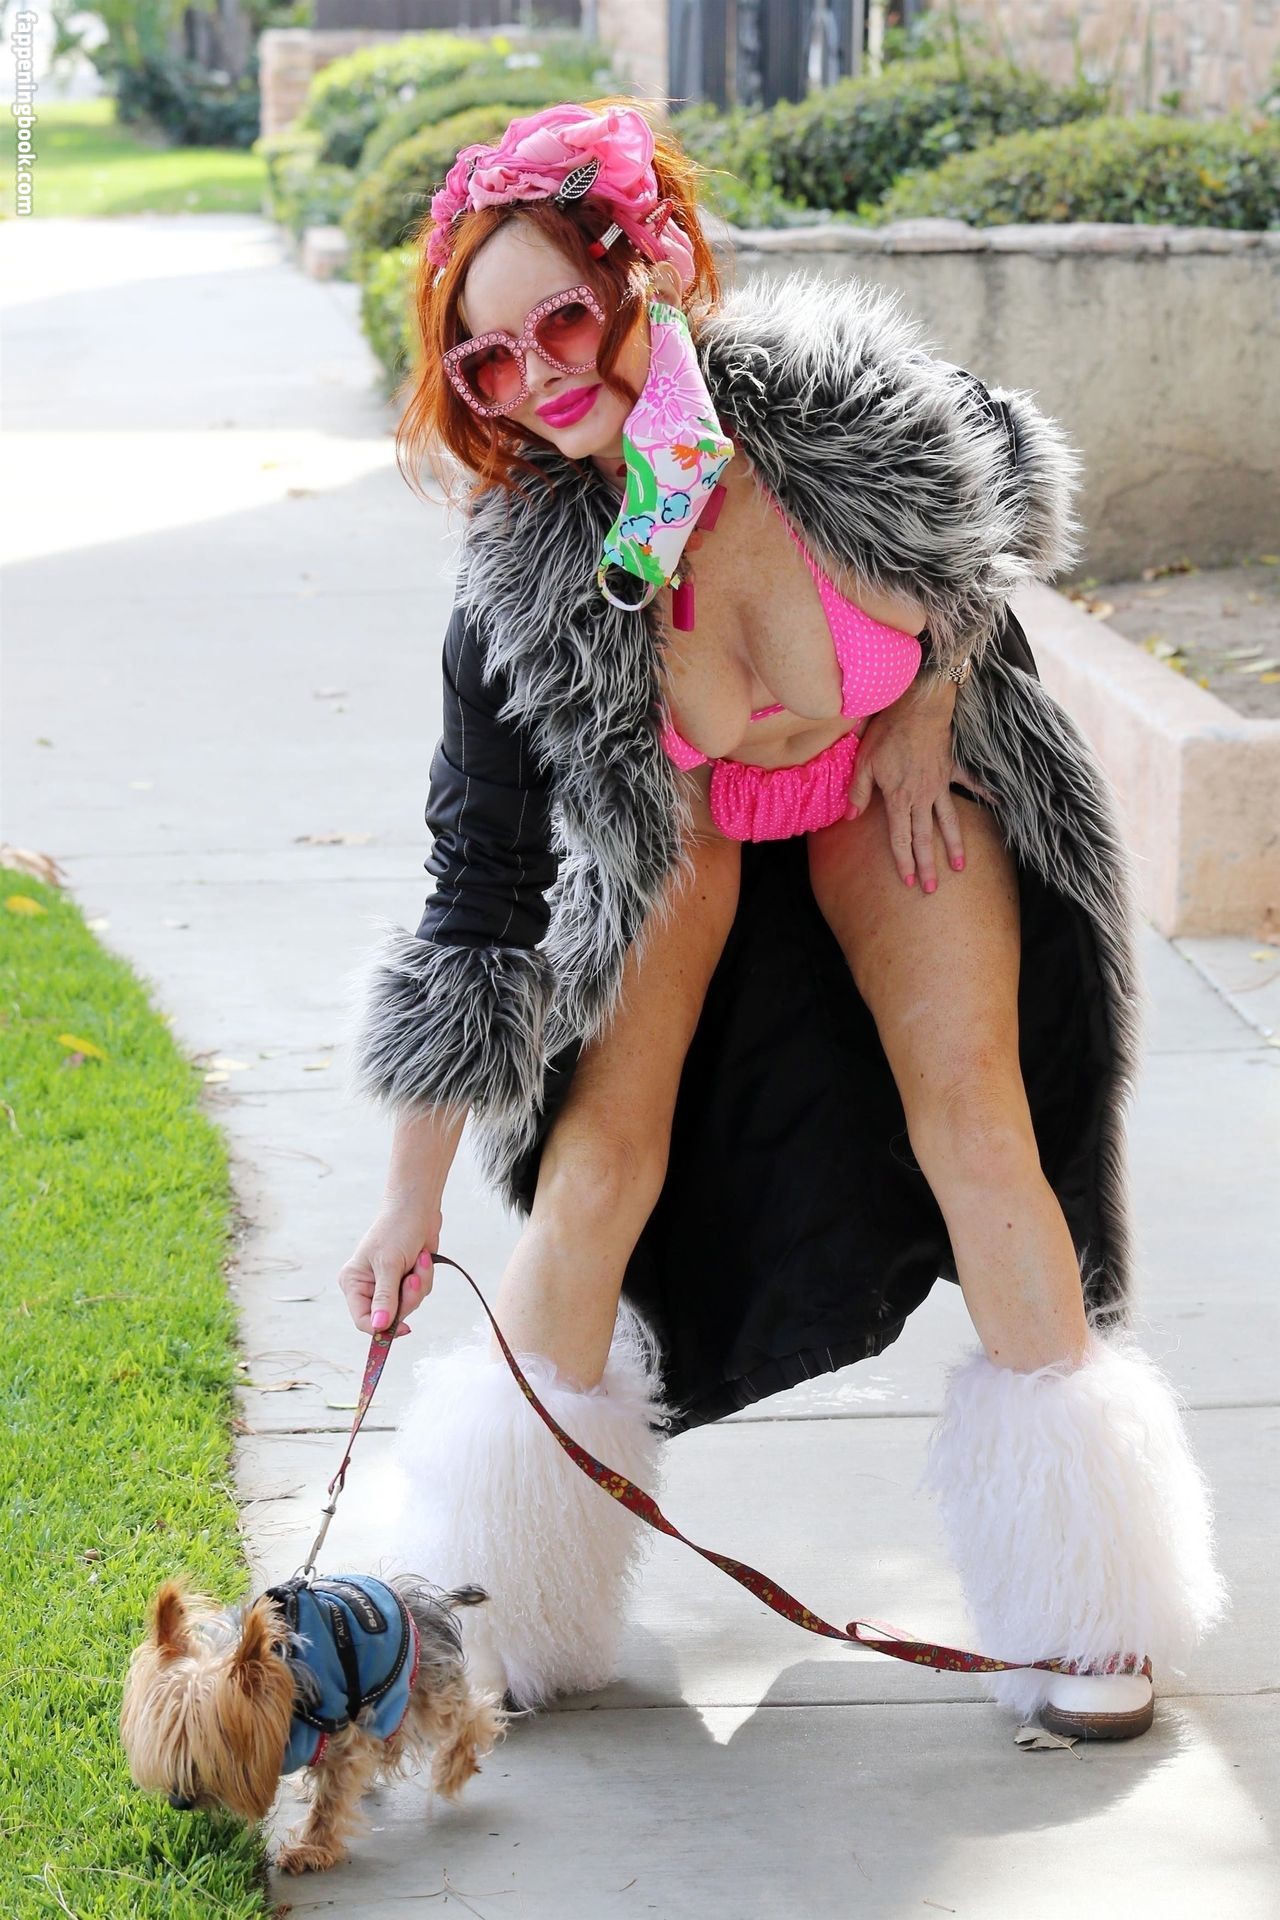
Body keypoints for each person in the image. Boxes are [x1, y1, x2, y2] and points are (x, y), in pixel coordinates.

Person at [337, 100, 1228, 1739]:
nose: (538, 377)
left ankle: (1094, 1605)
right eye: (487, 362)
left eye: (563, 320)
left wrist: (934, 691)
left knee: (980, 1128)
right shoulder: (522, 590)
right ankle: (487, 1598)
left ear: (650, 271)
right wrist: (407, 1205)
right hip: (688, 829)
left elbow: (1012, 493)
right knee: (600, 1169)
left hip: (896, 789)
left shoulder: (838, 410)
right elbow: (474, 908)